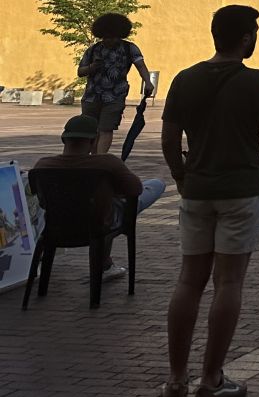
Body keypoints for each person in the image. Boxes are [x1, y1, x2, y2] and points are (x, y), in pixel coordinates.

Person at [161, 4, 259, 397]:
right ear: (246, 38)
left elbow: (169, 139)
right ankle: (211, 380)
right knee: (228, 282)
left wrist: (182, 177)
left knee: (188, 281)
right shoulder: (255, 80)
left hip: (197, 190)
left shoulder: (185, 78)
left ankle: (175, 381)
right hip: (241, 190)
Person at [32, 113, 166, 282]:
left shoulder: (43, 165)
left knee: (102, 206)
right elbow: (135, 189)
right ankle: (104, 264)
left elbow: (39, 198)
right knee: (154, 185)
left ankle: (103, 263)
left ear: (64, 139)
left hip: (56, 224)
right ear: (94, 140)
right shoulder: (107, 163)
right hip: (99, 223)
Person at [77, 11, 156, 155]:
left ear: (120, 35)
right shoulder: (93, 50)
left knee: (106, 128)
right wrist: (92, 67)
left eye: (112, 37)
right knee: (91, 130)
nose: (109, 40)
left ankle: (100, 158)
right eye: (106, 37)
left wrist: (148, 82)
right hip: (91, 96)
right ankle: (92, 158)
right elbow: (80, 71)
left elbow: (140, 65)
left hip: (115, 96)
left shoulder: (129, 48)